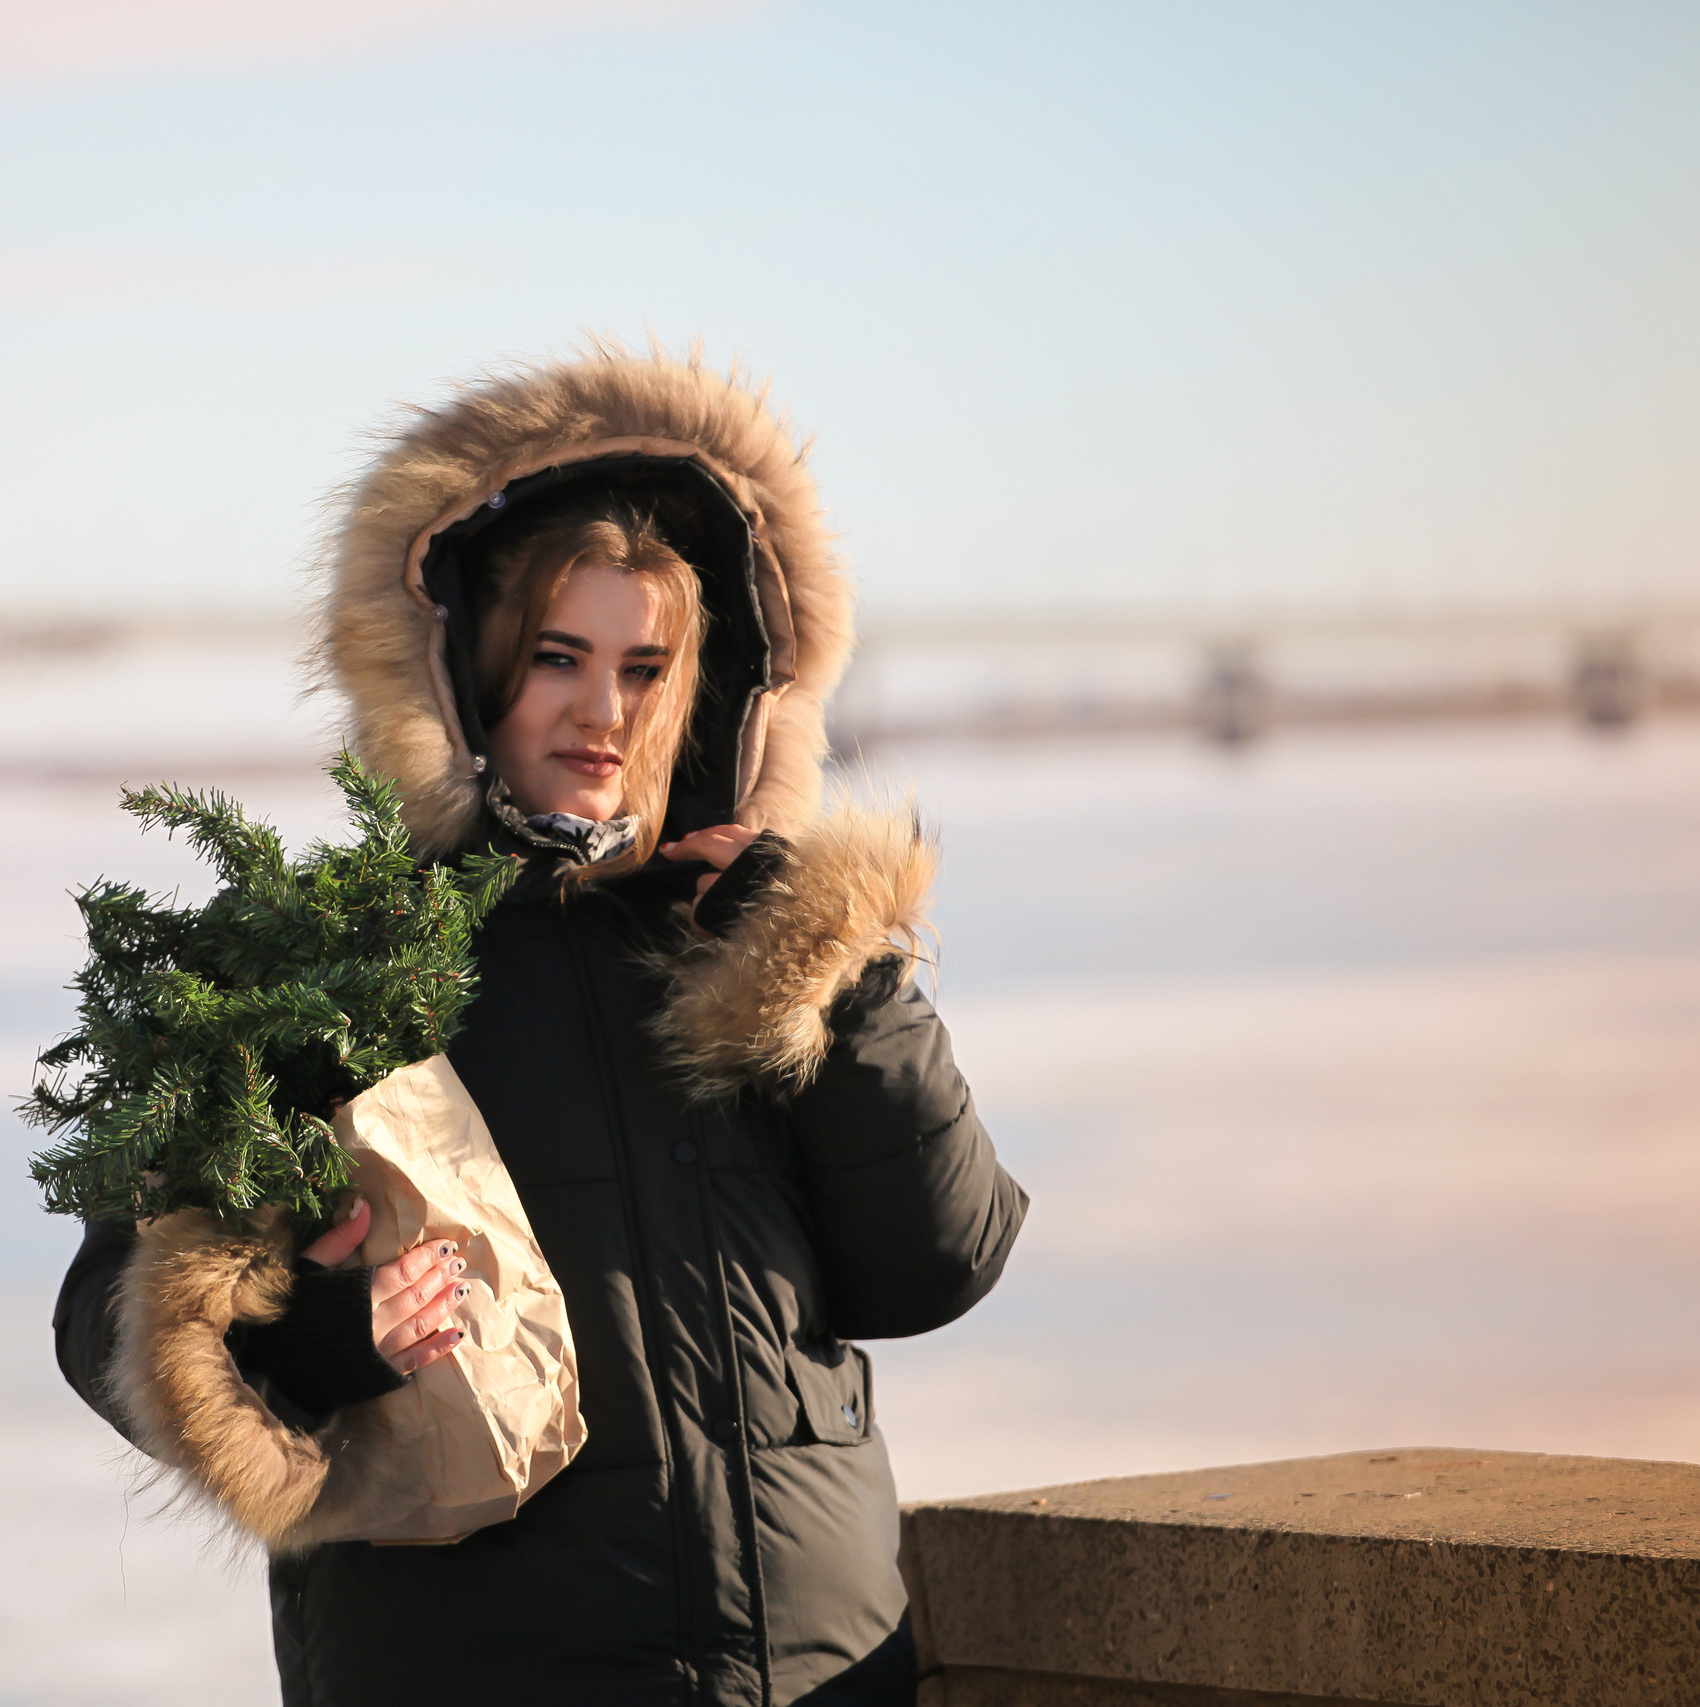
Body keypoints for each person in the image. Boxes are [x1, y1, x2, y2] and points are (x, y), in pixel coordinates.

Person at [53, 347, 1027, 1706]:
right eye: (558, 657)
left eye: (647, 665)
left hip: (810, 1673)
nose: (604, 710)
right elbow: (114, 1317)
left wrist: (839, 974)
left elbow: (938, 1263)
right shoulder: (334, 976)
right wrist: (331, 1332)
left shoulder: (750, 940)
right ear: (463, 666)